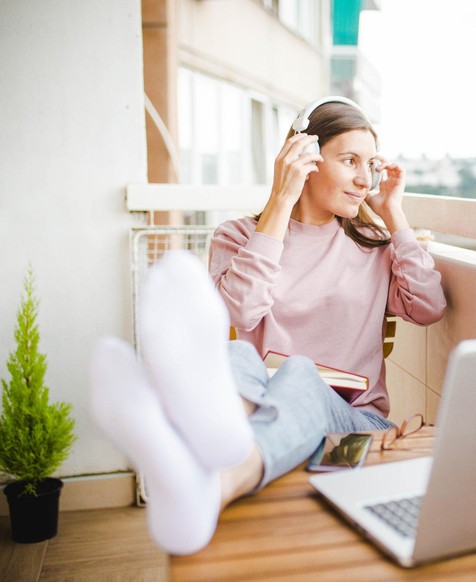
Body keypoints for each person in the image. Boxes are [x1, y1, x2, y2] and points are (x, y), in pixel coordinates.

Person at [89, 97, 446, 555]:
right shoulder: (238, 237)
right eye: (350, 161)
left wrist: (393, 213)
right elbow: (240, 314)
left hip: (357, 427)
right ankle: (212, 457)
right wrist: (281, 201)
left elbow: (428, 307)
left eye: (371, 165)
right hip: (267, 408)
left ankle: (199, 462)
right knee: (237, 354)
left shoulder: (373, 246)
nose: (364, 178)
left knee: (297, 372)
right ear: (305, 159)